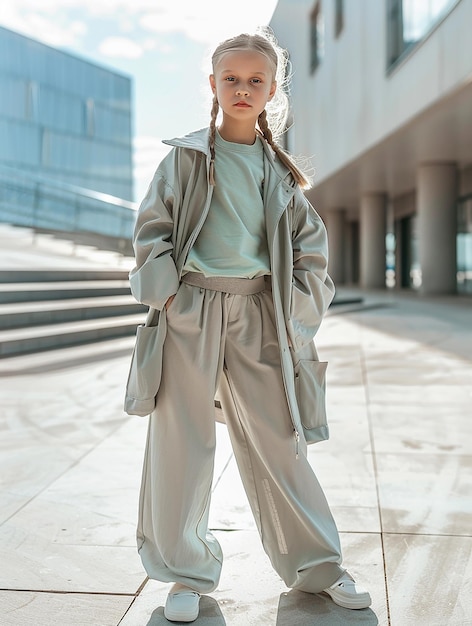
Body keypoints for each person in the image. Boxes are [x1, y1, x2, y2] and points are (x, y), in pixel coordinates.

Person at [128, 27, 371, 623]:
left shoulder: (280, 174)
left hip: (260, 313)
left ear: (272, 90)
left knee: (280, 443)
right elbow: (151, 232)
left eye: (255, 80)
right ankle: (185, 573)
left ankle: (318, 567)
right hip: (191, 312)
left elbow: (311, 253)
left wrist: (293, 309)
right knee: (181, 441)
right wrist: (170, 296)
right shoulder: (184, 159)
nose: (242, 88)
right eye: (230, 79)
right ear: (212, 85)